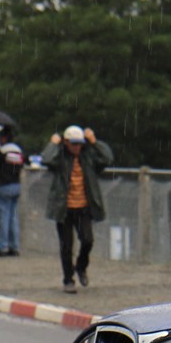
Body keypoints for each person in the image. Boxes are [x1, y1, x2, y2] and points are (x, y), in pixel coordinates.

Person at [42, 125, 113, 293]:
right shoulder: (60, 158)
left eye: (80, 143)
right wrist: (53, 144)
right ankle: (68, 279)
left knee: (88, 240)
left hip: (84, 208)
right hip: (64, 208)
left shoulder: (88, 157)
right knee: (66, 246)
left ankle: (81, 266)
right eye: (73, 143)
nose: (77, 147)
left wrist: (95, 142)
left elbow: (107, 158)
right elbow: (47, 159)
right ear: (66, 142)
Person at [0, 126, 25, 256]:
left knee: (3, 217)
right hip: (16, 185)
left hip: (3, 185)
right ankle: (14, 246)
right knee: (13, 216)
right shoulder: (18, 151)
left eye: (0, 137)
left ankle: (2, 246)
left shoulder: (2, 151)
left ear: (4, 138)